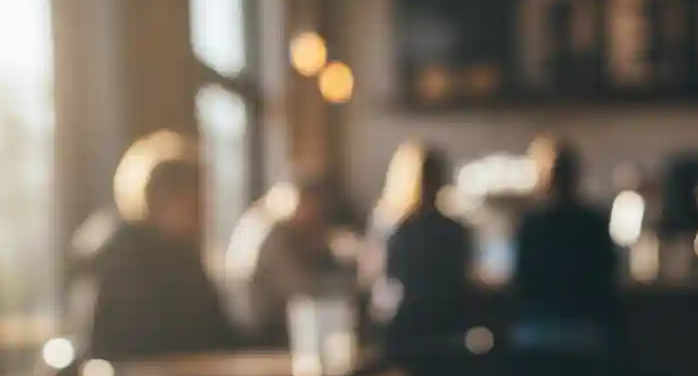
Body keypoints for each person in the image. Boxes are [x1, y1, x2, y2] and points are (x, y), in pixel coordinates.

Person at [66, 131, 235, 360]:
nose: (203, 212)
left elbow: (217, 333)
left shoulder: (180, 252)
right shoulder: (122, 256)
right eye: (194, 201)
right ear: (162, 198)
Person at [511, 138, 618, 353]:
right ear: (576, 177)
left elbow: (520, 279)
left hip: (538, 329)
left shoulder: (532, 225)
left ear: (546, 180)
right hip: (587, 328)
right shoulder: (593, 222)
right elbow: (609, 273)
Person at [361, 142, 471, 349]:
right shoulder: (455, 231)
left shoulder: (391, 228)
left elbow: (372, 278)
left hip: (402, 330)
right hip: (446, 329)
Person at [226, 176, 342, 346]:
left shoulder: (302, 235)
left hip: (277, 326)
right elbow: (300, 291)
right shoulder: (276, 237)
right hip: (261, 331)